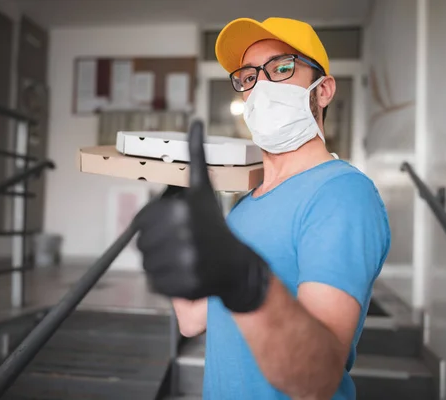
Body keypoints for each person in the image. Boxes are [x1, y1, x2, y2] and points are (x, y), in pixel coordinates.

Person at [135, 17, 391, 400]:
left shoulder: (342, 194)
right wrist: (178, 208)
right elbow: (192, 321)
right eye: (249, 76)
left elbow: (316, 379)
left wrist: (248, 283)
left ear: (323, 91)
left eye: (282, 68)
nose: (263, 86)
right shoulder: (245, 206)